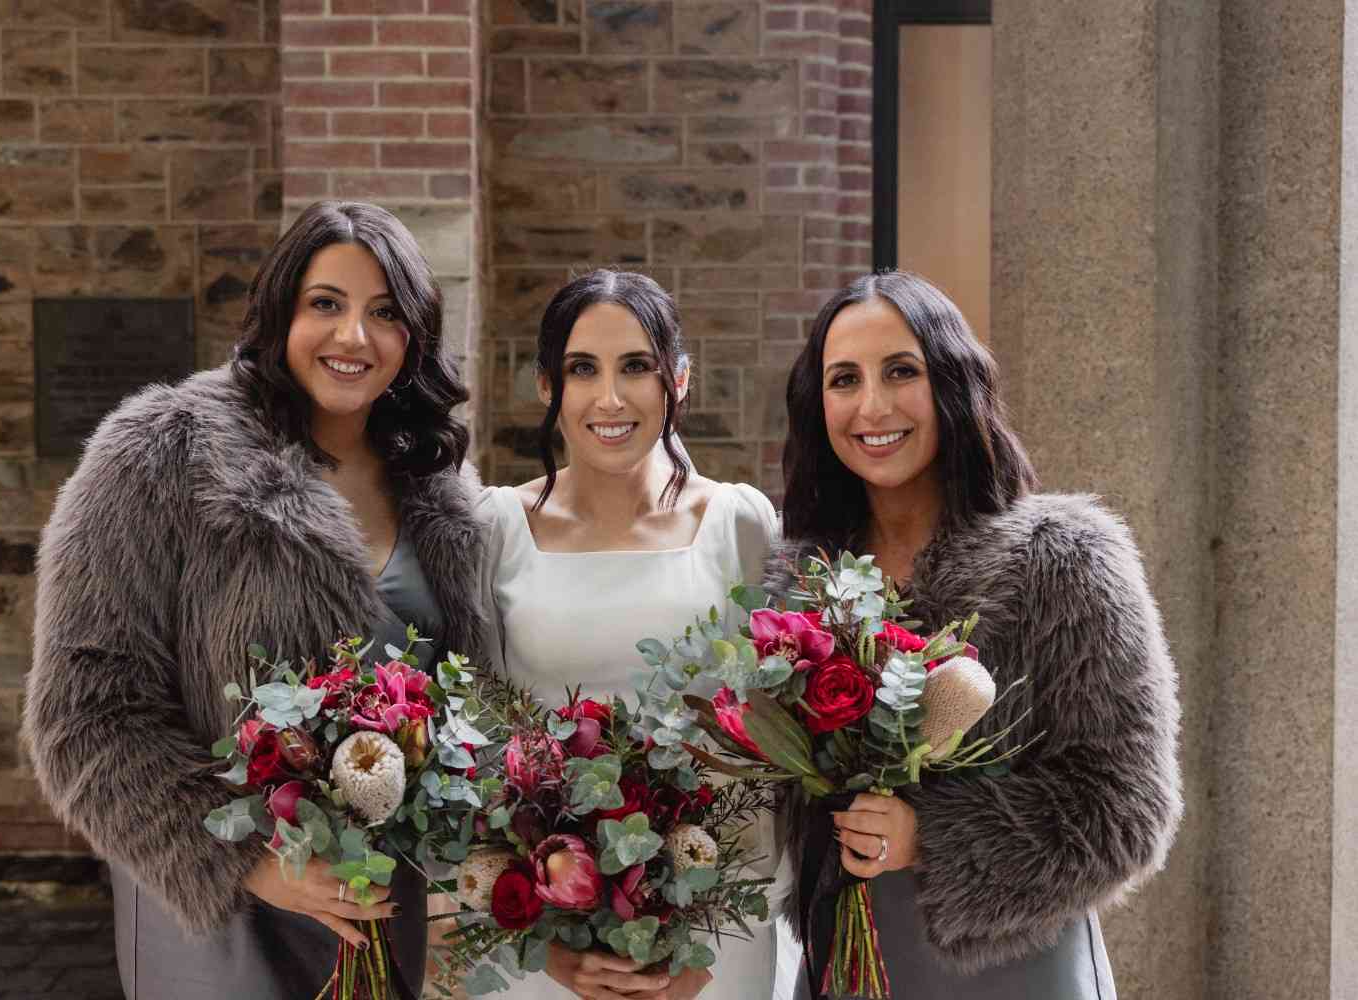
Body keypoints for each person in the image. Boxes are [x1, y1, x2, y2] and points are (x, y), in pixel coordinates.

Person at [22, 201, 491, 1000]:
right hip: (221, 914)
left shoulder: (438, 485)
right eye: (326, 303)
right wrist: (250, 861)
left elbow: (466, 701)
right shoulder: (159, 453)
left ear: (415, 336)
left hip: (383, 905)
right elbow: (84, 713)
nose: (354, 336)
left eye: (385, 312)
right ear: (279, 313)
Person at [768, 271, 1182, 999]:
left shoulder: (1065, 558)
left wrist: (930, 835)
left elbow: (1129, 807)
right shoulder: (796, 581)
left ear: (953, 382)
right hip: (845, 959)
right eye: (844, 379)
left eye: (902, 371)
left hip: (1016, 970)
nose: (873, 405)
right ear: (817, 403)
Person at [476, 269, 788, 1000]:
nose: (610, 398)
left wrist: (712, 940)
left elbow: (774, 746)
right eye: (583, 369)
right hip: (545, 941)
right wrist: (542, 940)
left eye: (637, 366)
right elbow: (478, 741)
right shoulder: (495, 528)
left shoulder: (740, 523)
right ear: (547, 385)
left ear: (679, 379)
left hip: (712, 942)